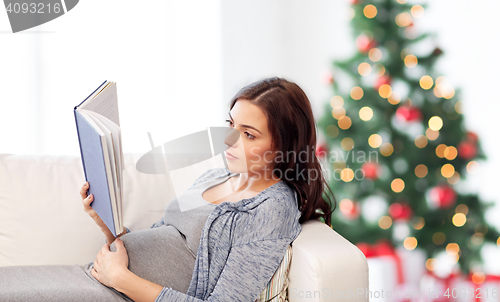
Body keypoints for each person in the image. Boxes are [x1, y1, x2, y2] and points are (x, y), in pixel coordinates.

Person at [0, 76, 336, 302]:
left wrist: (123, 280)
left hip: (120, 293)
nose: (230, 140)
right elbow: (158, 240)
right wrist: (104, 219)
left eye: (248, 134)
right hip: (102, 277)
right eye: (230, 125)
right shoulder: (216, 176)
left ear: (284, 144)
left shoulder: (272, 208)